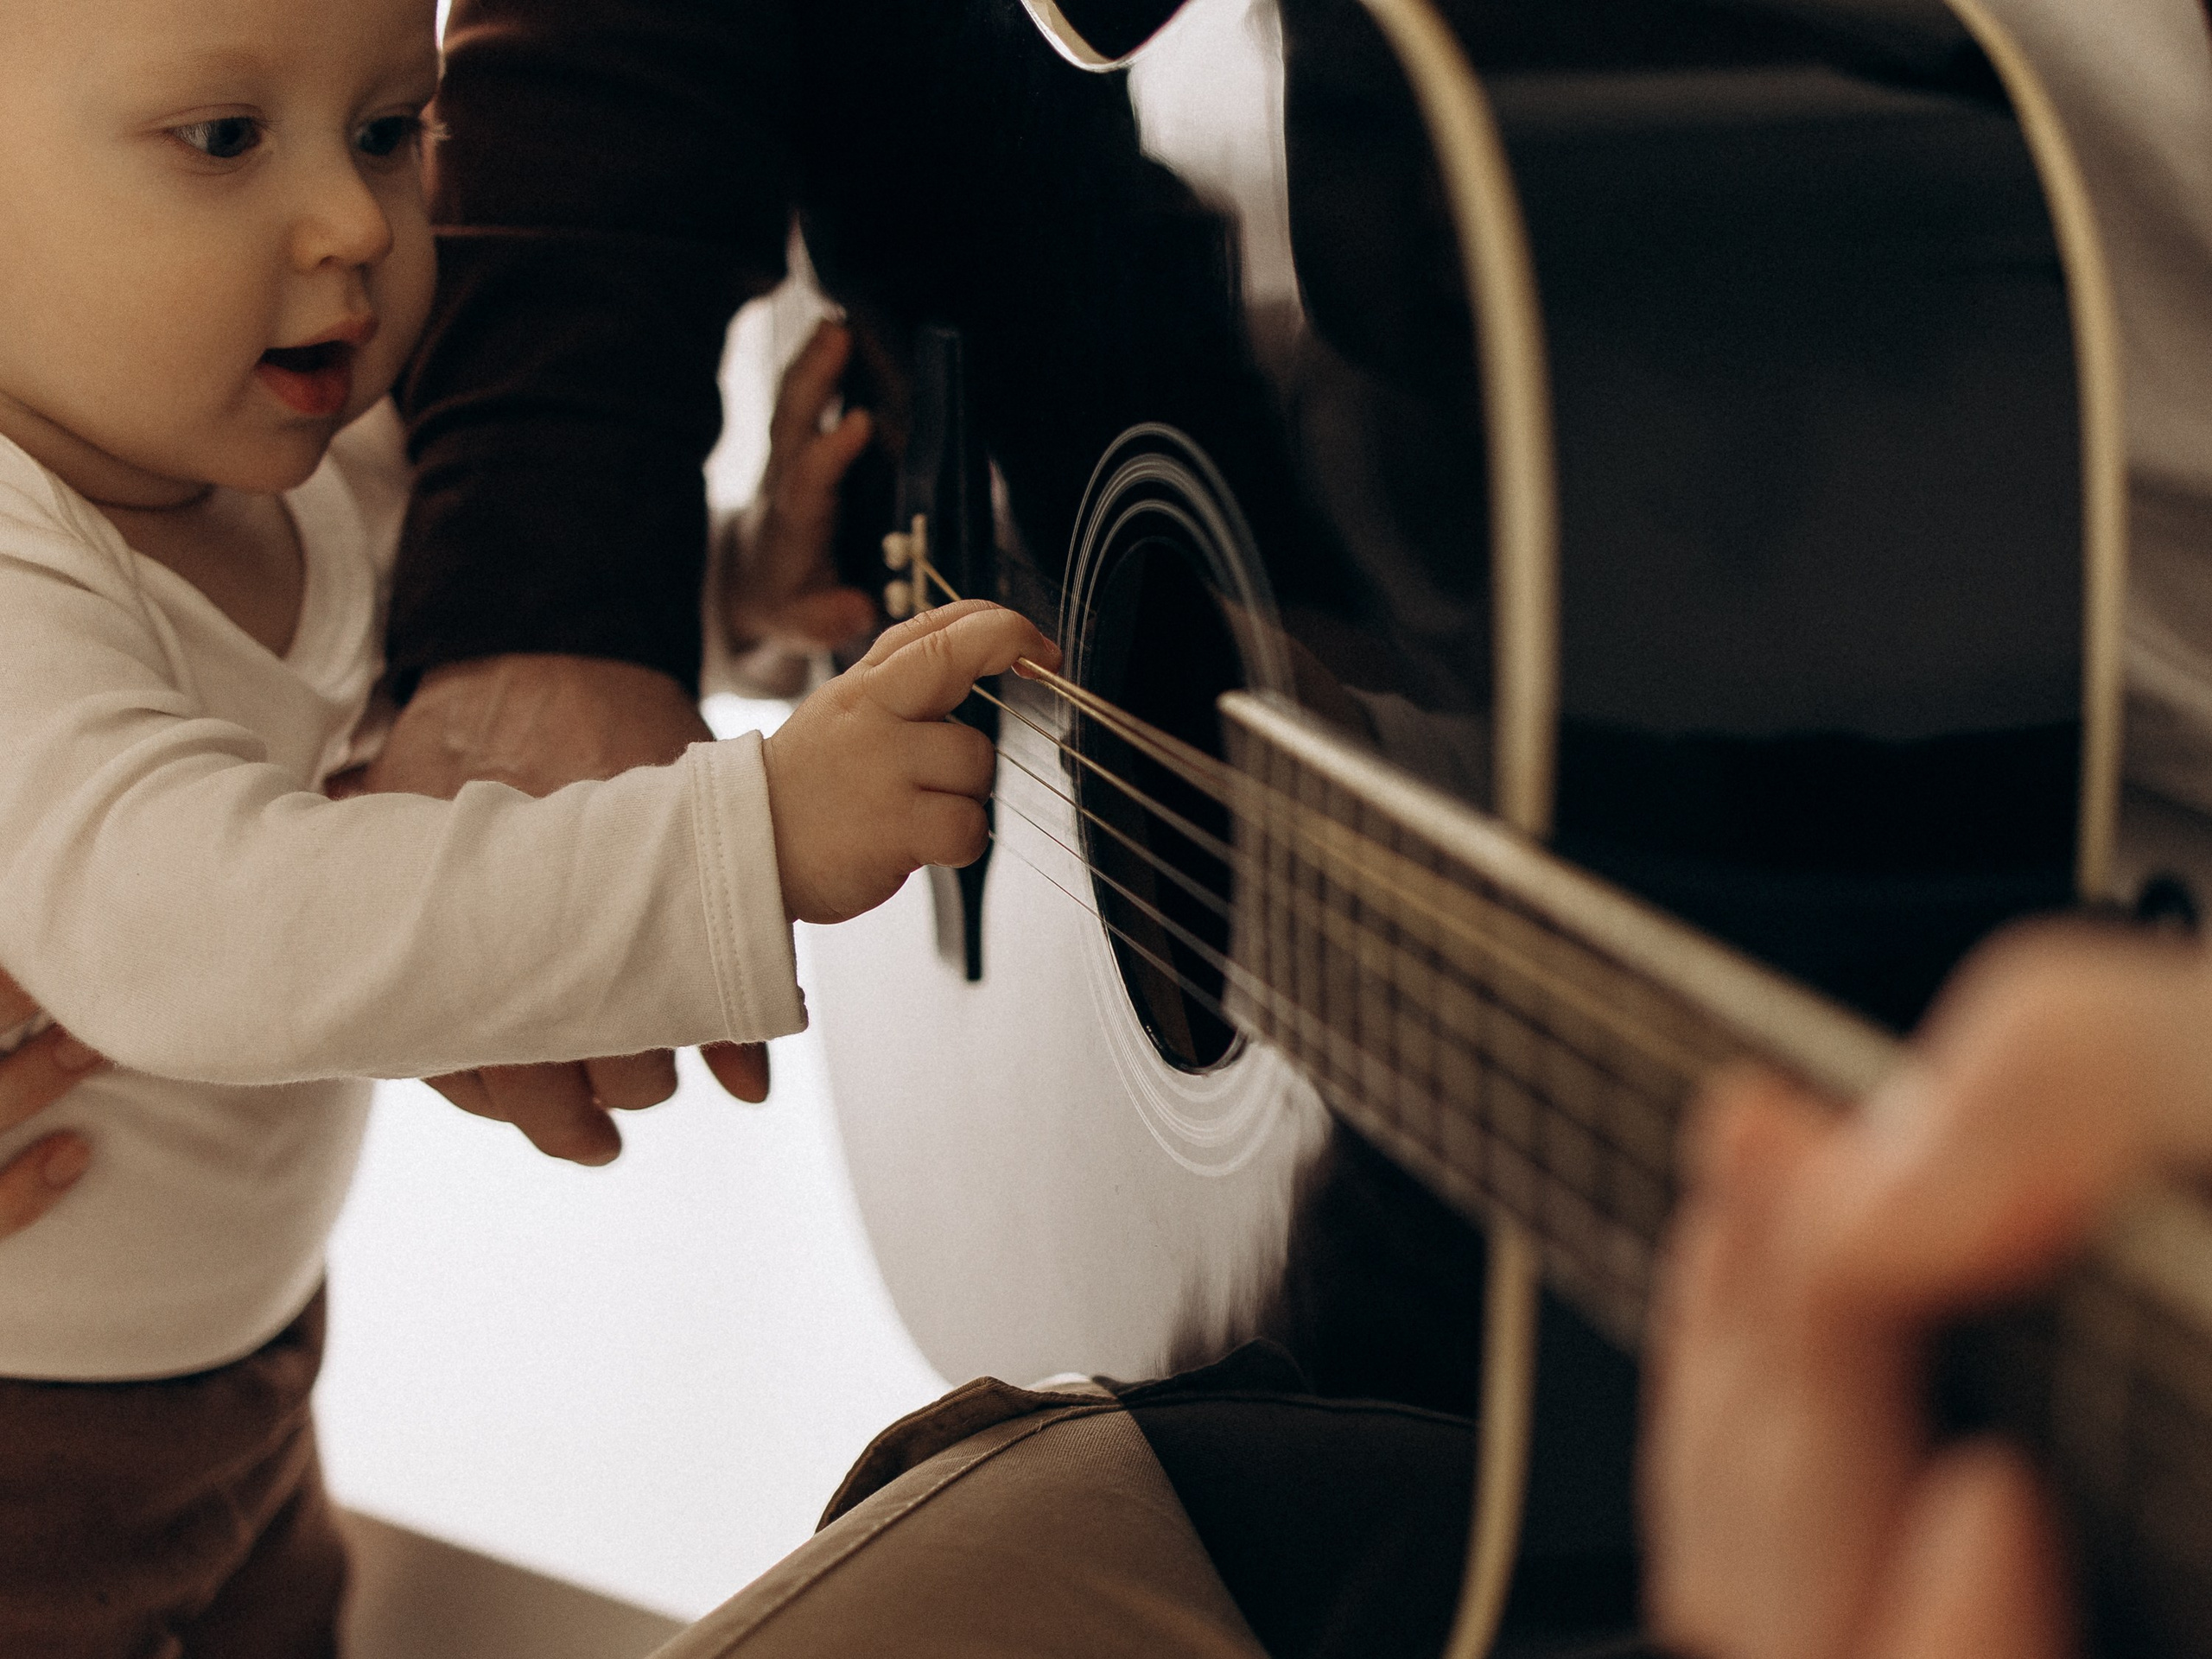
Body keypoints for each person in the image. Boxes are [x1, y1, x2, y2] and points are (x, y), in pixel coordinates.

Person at [0, 2, 1054, 1652]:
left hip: (247, 1378)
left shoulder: (308, 458)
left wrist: (734, 594)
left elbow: (420, 618)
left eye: (389, 130)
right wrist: (743, 844)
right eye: (221, 141)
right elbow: (203, 937)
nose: (356, 225)